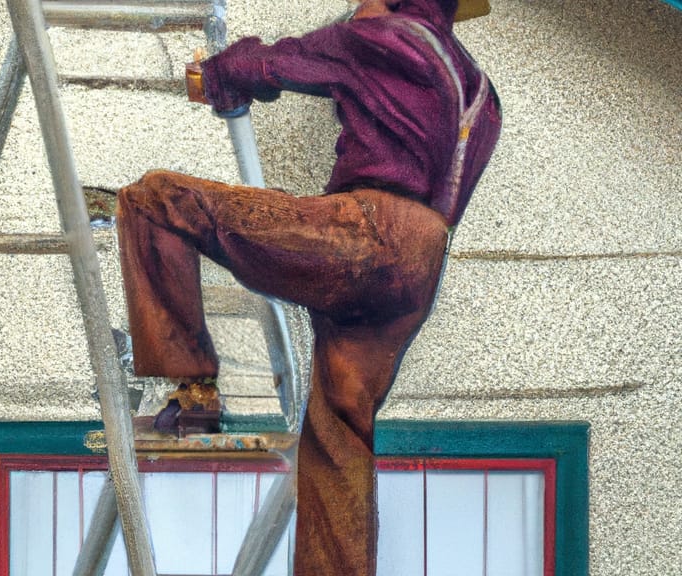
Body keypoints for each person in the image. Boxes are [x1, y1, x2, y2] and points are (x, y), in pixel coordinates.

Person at [116, 0, 501, 573]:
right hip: (422, 264)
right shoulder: (481, 90)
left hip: (366, 233)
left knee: (155, 198)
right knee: (340, 433)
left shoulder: (382, 35)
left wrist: (213, 76)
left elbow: (280, 62)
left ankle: (193, 396)